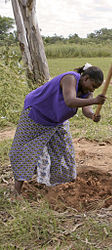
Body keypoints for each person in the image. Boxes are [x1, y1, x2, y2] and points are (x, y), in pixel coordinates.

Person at [9, 63, 106, 196]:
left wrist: (92, 116)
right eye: (93, 86)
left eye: (96, 88)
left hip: (57, 121)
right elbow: (70, 101)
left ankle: (57, 187)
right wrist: (95, 100)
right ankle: (16, 192)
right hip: (36, 115)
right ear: (85, 78)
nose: (93, 90)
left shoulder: (87, 92)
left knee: (64, 152)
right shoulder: (70, 78)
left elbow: (86, 110)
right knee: (24, 150)